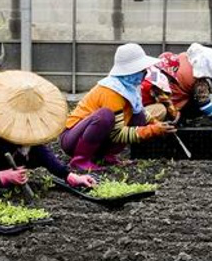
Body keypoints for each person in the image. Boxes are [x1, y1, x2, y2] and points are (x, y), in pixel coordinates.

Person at [0, 70, 96, 193]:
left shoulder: (16, 127)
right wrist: (0, 177)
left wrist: (68, 175)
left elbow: (39, 149)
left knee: (26, 151)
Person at [60, 43, 177, 171]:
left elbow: (141, 112)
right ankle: (80, 160)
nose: (145, 73)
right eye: (142, 70)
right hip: (72, 140)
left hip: (90, 136)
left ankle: (106, 156)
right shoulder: (111, 91)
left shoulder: (129, 88)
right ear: (131, 71)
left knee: (139, 116)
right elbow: (117, 134)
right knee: (105, 116)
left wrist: (157, 123)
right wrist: (153, 130)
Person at [141, 43, 212, 123]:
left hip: (143, 106)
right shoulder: (197, 79)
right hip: (145, 110)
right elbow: (204, 104)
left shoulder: (152, 70)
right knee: (163, 110)